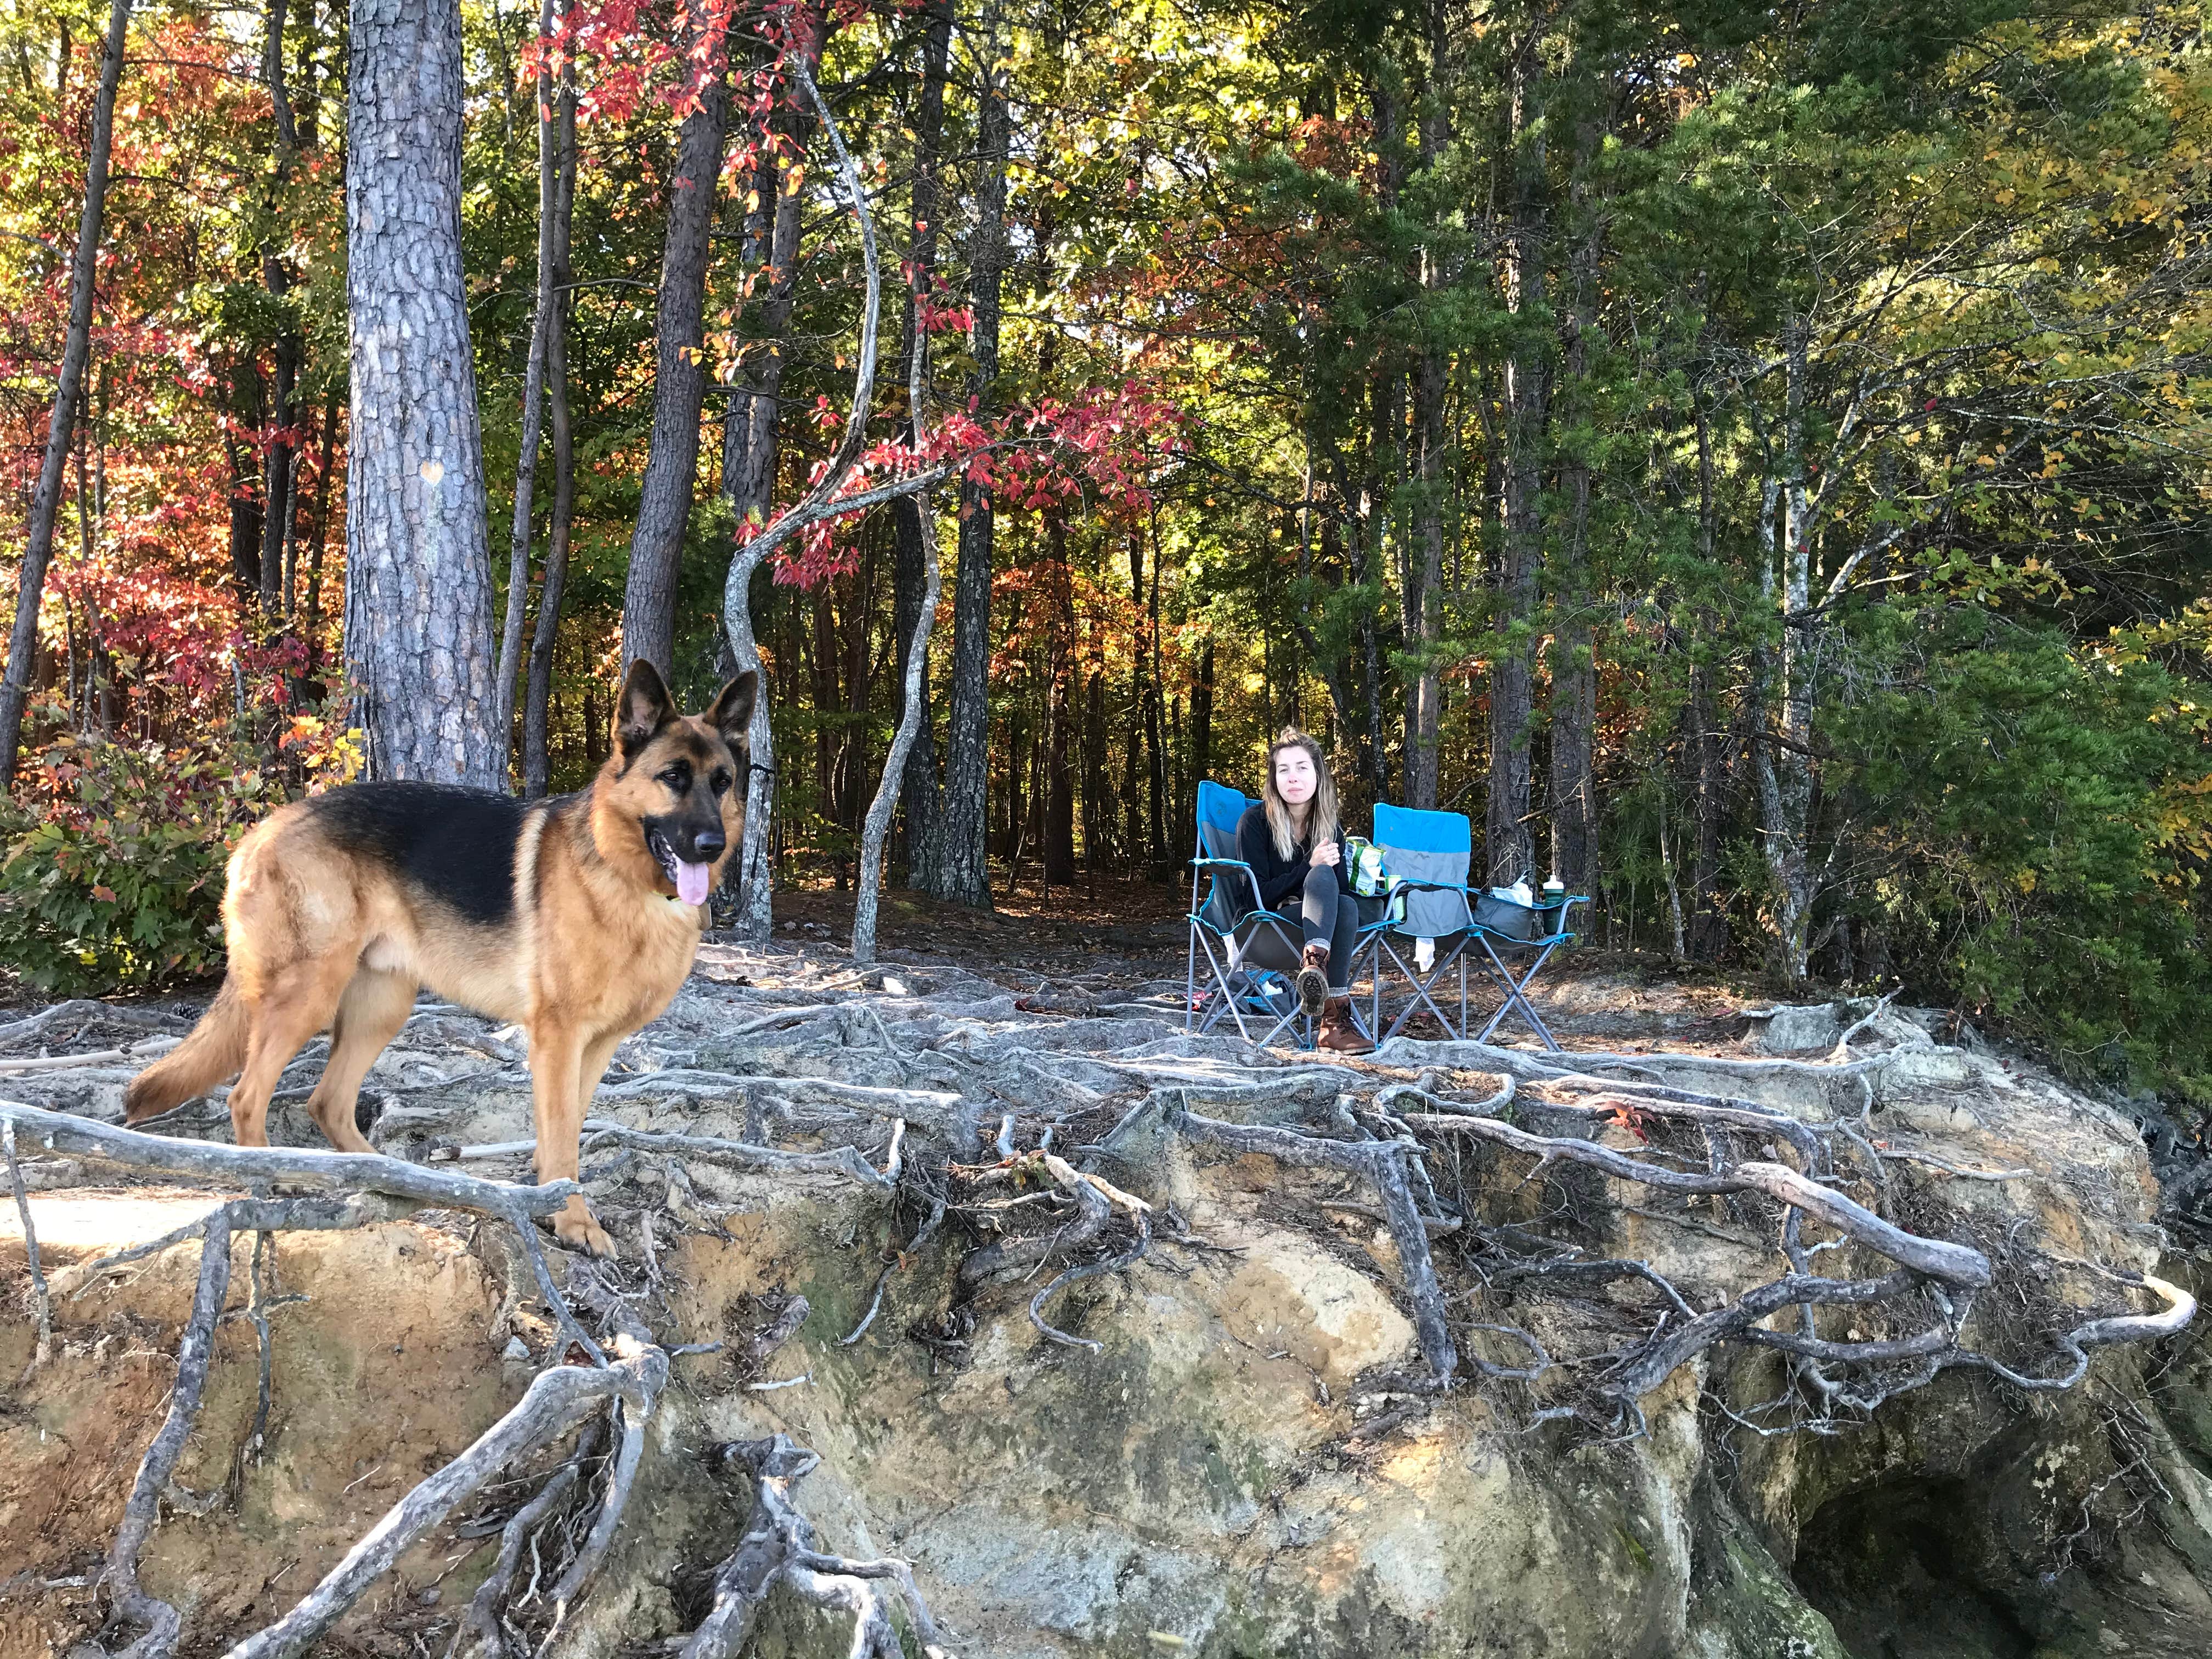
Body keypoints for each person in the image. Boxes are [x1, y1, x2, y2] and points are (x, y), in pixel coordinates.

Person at [1235, 728, 1374, 1054]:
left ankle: (1316, 973)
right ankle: (1331, 1016)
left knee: (1348, 905)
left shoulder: (1330, 828)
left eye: (1301, 768)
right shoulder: (1253, 823)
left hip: (1310, 928)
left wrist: (1322, 871)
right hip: (1264, 927)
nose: (1293, 777)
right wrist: (1308, 868)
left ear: (1317, 775)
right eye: (1283, 770)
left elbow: (1336, 898)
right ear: (1274, 780)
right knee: (1323, 876)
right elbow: (1255, 899)